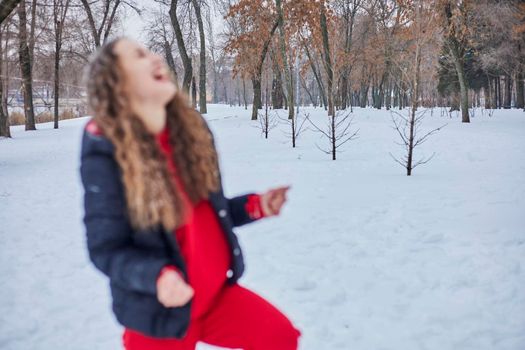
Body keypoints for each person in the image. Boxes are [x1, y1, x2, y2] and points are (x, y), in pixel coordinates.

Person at [79, 37, 301, 350]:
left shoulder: (191, 130)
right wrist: (157, 276)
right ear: (117, 83)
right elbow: (106, 248)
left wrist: (256, 205)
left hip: (214, 297)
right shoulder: (106, 150)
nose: (156, 58)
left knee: (279, 338)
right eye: (140, 56)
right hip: (159, 317)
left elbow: (211, 210)